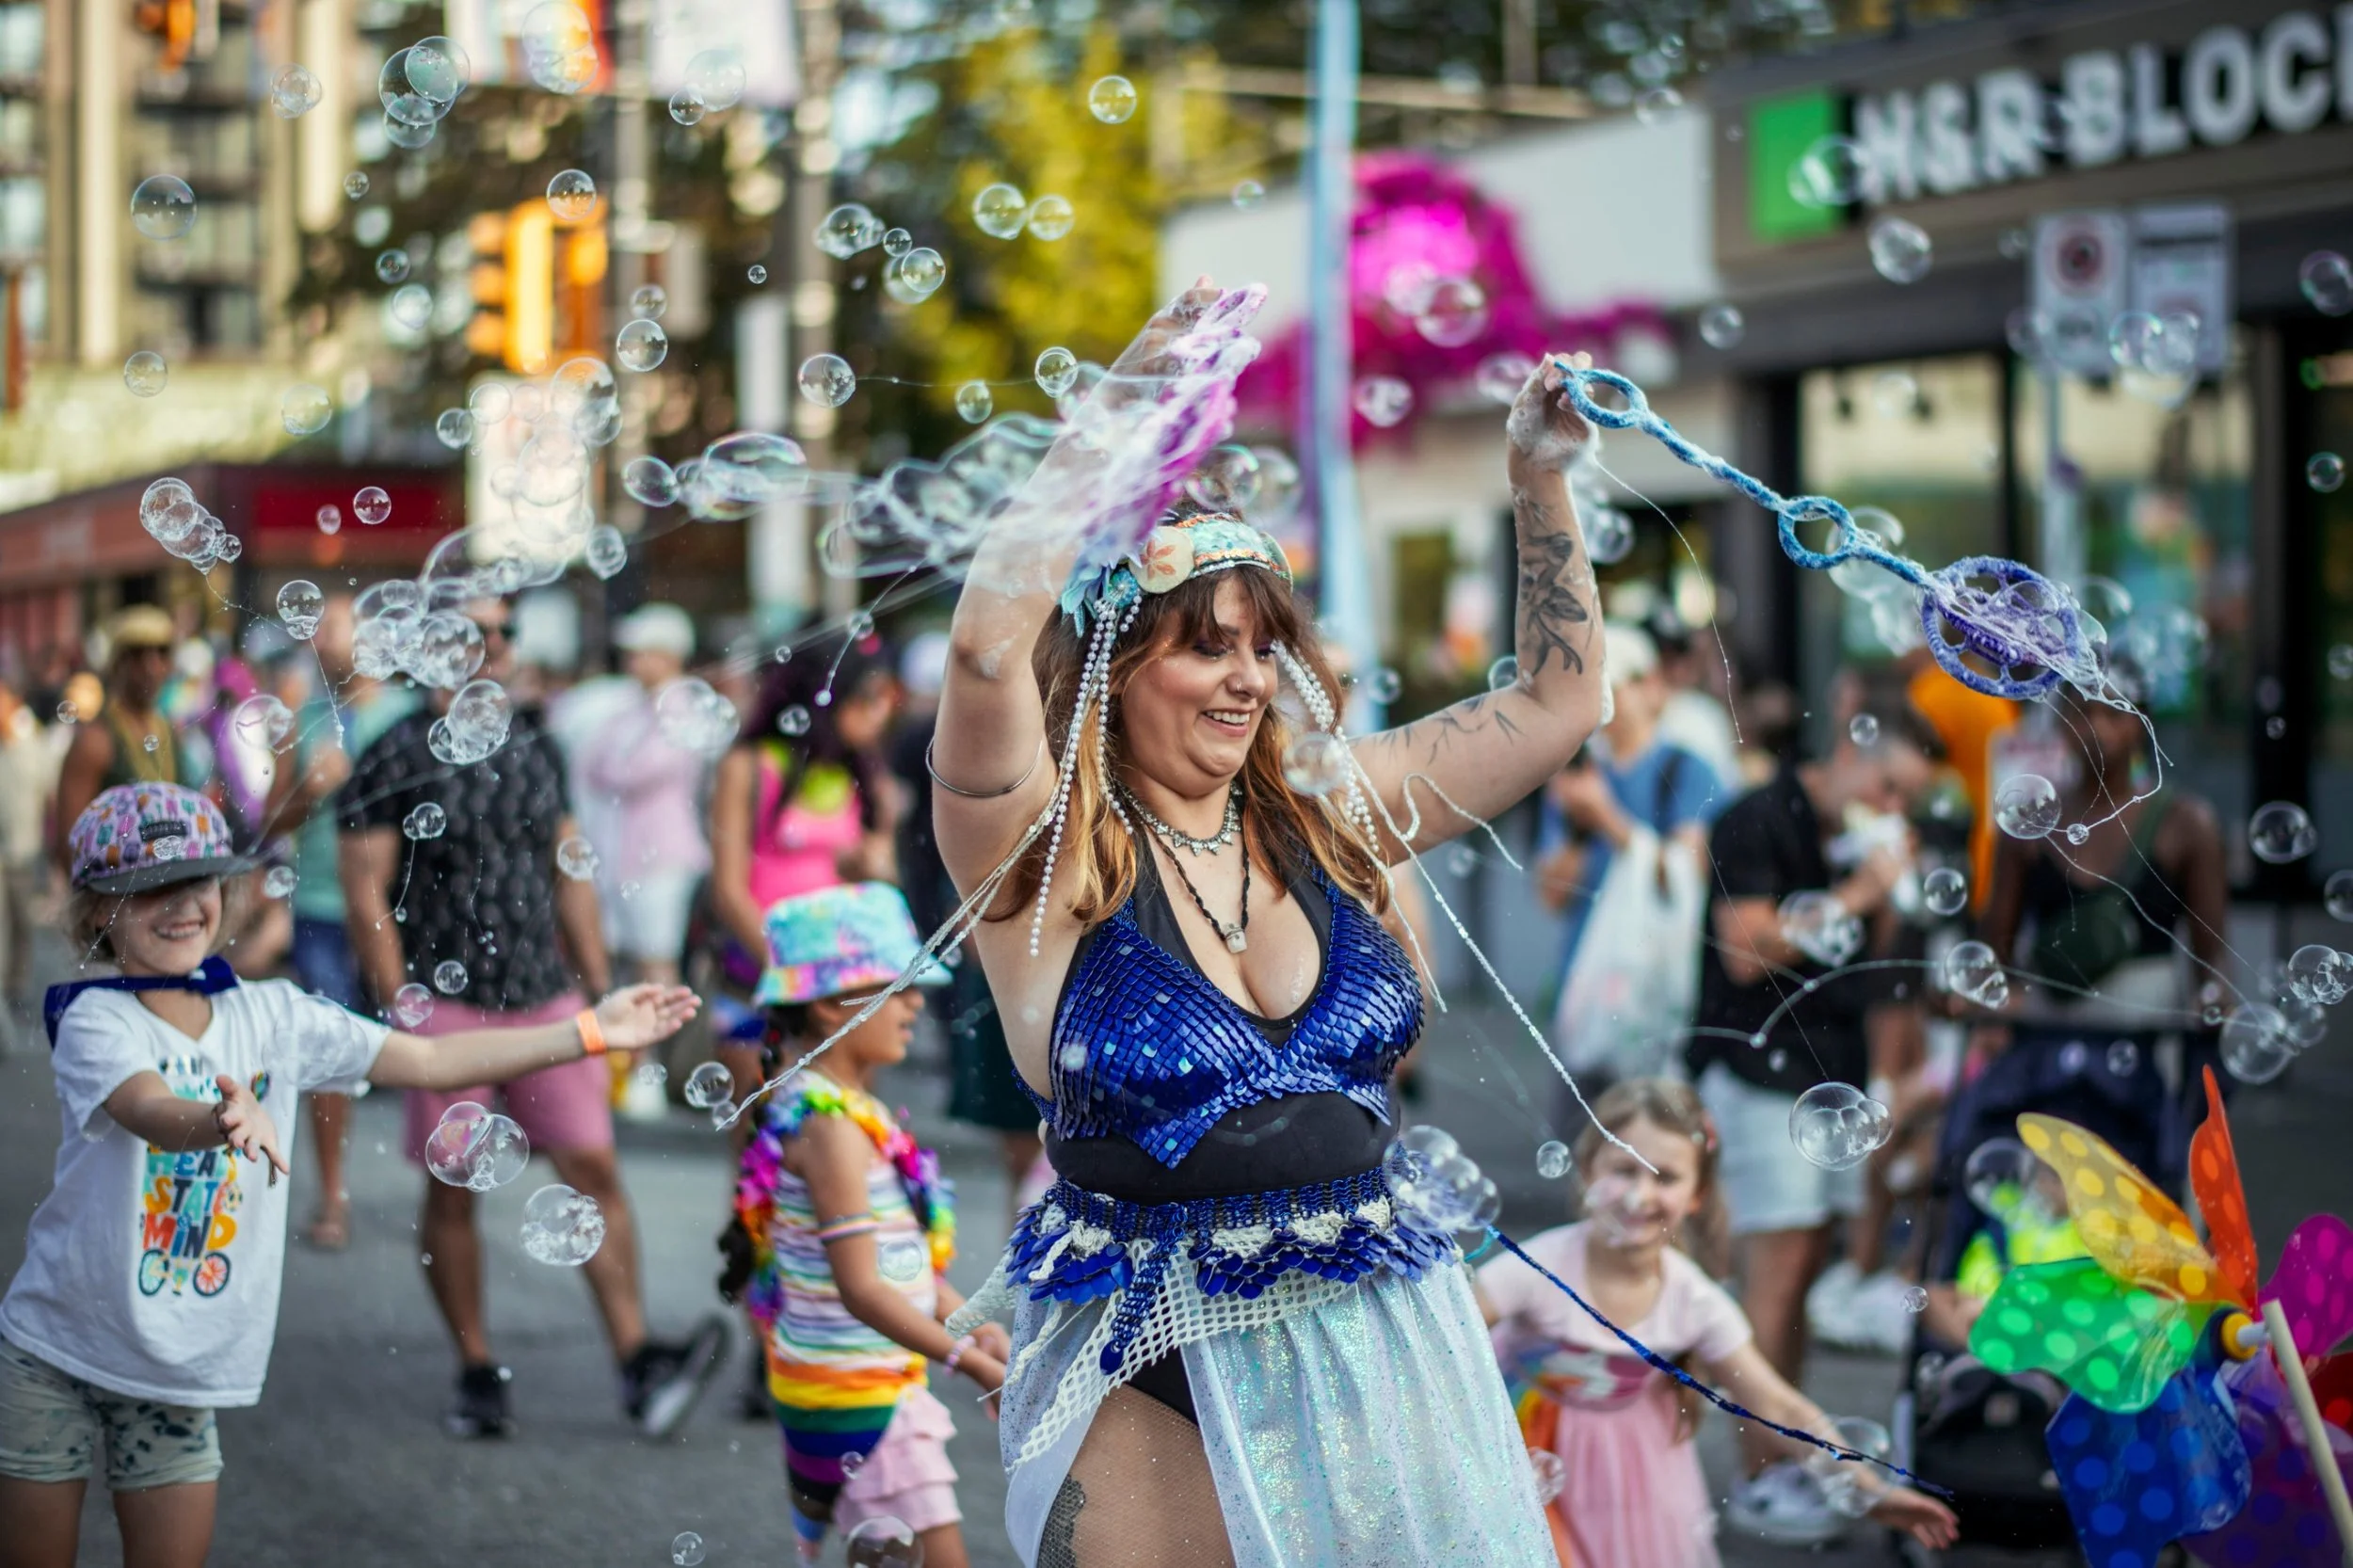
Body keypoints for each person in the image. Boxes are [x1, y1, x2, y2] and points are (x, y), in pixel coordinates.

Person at [930, 287, 1608, 1566]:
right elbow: (981, 651)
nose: (1246, 677)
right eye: (1203, 648)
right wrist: (1122, 406)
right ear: (1120, 664)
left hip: (1381, 1343)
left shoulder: (1331, 810)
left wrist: (1540, 478)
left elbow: (1561, 701)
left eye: (1262, 645)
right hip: (1148, 1352)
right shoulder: (1049, 852)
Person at [0, 782, 696, 1568]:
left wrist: (589, 1030)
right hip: (56, 1354)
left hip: (179, 1372)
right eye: (147, 888)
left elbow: (430, 1058)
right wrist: (220, 1122)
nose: (180, 904)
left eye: (196, 882)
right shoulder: (97, 1017)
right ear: (100, 910)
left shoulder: (276, 1015)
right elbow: (148, 1109)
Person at [338, 595, 728, 1439]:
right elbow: (366, 886)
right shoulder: (396, 752)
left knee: (592, 1172)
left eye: (508, 631)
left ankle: (636, 1362)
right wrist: (399, 1000)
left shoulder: (533, 740)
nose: (501, 646)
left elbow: (569, 870)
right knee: (452, 1192)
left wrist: (595, 987)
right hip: (446, 1006)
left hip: (544, 996)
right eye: (481, 631)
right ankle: (476, 1369)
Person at [1477, 1079, 1958, 1567]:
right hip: (1523, 1468)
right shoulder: (1537, 1268)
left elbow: (1779, 1406)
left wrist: (1870, 1489)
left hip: (1640, 1487)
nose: (1640, 1196)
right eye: (1625, 1169)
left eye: (1664, 1177)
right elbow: (1450, 1330)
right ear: (1586, 1172)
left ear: (1697, 1195)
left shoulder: (1692, 1298)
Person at [1683, 698, 1943, 1544]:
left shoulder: (1863, 841)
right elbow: (1745, 948)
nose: (1896, 809)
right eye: (1893, 788)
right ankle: (1760, 1476)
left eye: (1912, 799)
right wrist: (1861, 890)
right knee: (1773, 1281)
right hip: (1759, 1078)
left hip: (1828, 1082)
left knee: (1799, 1280)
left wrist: (1889, 899)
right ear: (1853, 746)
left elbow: (1881, 976)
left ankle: (1785, 1461)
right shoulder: (1756, 820)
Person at [721, 883, 1010, 1567]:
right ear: (829, 1005)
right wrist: (969, 1362)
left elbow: (897, 1264)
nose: (918, 1003)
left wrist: (963, 1316)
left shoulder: (837, 1110)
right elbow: (861, 1287)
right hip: (861, 1398)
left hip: (858, 1388)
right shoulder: (830, 1128)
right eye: (900, 987)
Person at [1973, 664, 2227, 1186]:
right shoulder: (2025, 827)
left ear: (2142, 724)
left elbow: (2212, 963)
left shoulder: (2186, 823)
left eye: (2114, 713)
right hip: (2045, 1051)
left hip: (2148, 1055)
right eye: (2081, 712)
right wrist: (1990, 1016)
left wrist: (2212, 1013)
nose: (2097, 728)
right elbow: (1993, 956)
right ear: (2061, 724)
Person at [263, 594, 417, 1250]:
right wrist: (310, 789)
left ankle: (444, 1195)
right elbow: (273, 821)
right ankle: (332, 1194)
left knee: (415, 1045)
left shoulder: (407, 718)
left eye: (331, 626)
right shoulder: (309, 716)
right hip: (323, 905)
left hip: (398, 909)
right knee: (329, 1055)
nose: (318, 637)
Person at [888, 631, 1044, 1217]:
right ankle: (1032, 1289)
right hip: (1011, 972)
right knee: (1027, 1167)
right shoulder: (982, 744)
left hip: (1062, 973)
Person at [1536, 622, 1719, 1082]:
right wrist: (1579, 828)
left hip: (1658, 989)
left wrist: (1606, 818)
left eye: (1610, 692)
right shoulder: (1577, 771)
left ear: (1648, 685)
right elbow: (1552, 896)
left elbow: (1685, 876)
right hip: (1585, 989)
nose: (1602, 710)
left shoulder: (1686, 768)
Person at [702, 635, 900, 1048]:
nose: (880, 714)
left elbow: (878, 881)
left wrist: (875, 868)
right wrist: (791, 972)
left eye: (887, 697)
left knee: (835, 1106)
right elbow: (729, 889)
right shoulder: (750, 767)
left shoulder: (861, 775)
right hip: (759, 970)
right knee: (762, 1108)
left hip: (840, 973)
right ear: (828, 696)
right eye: (869, 697)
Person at [584, 603, 710, 992]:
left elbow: (634, 772)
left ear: (668, 655)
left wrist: (615, 765)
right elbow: (596, 764)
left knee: (658, 961)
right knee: (640, 961)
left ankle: (661, 1049)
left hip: (663, 855)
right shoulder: (634, 706)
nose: (632, 660)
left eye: (641, 651)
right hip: (631, 855)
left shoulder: (683, 708)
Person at [52, 607, 189, 868]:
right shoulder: (95, 741)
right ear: (117, 663)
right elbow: (69, 847)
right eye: (137, 654)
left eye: (161, 652)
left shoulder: (171, 731)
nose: (151, 667)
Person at [0, 680, 56, 1030]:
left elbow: (48, 793)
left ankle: (16, 986)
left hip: (24, 849)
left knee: (22, 922)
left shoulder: (30, 743)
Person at [1642, 605, 1740, 795]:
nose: (1676, 669)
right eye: (1665, 659)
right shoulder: (1618, 714)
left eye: (1680, 657)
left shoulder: (1703, 715)